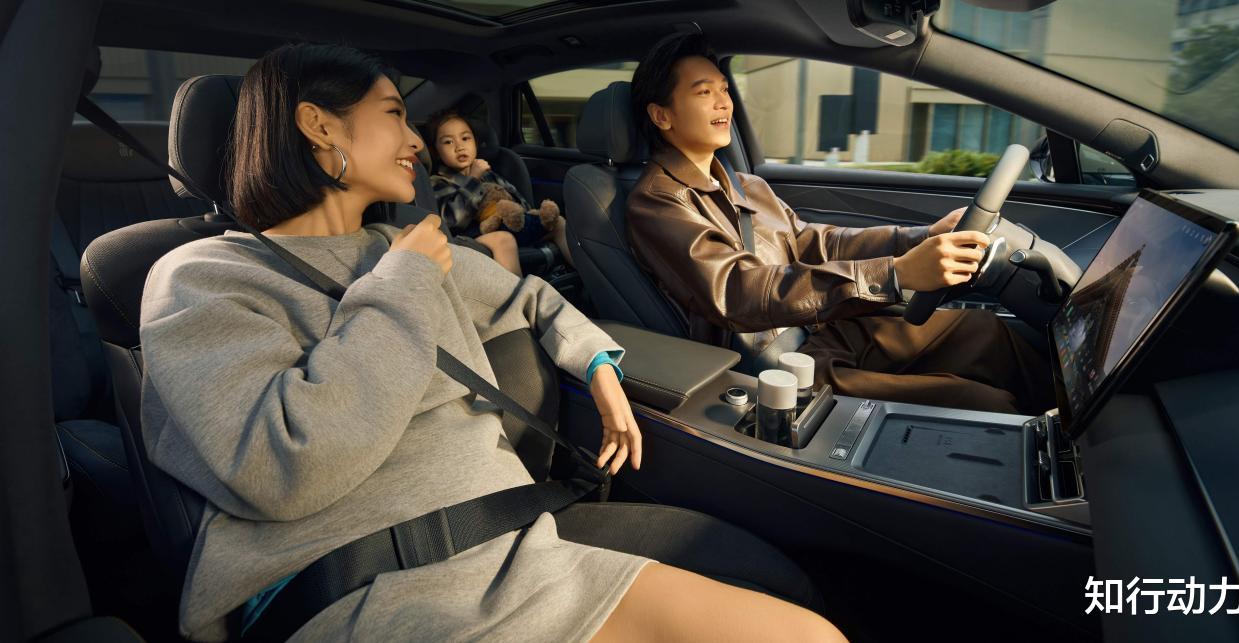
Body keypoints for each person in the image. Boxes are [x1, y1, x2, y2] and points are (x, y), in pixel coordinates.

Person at [140, 43, 843, 642]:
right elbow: (285, 465)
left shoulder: (402, 246)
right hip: (369, 587)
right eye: (394, 115)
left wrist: (599, 367)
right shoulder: (202, 278)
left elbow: (532, 296)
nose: (418, 141)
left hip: (512, 545)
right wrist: (402, 285)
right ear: (319, 125)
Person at [625, 33, 1052, 414]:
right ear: (662, 116)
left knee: (986, 332)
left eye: (723, 88)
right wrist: (894, 274)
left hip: (822, 327)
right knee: (982, 404)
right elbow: (736, 291)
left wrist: (922, 237)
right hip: (779, 366)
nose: (724, 102)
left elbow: (816, 242)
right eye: (704, 92)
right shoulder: (658, 202)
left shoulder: (746, 185)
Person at [426, 110, 573, 274]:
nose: (459, 147)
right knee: (504, 239)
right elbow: (452, 220)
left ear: (475, 143)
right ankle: (521, 291)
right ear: (436, 151)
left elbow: (519, 202)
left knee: (558, 222)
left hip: (509, 226)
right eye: (448, 142)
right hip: (471, 237)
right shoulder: (438, 182)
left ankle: (587, 277)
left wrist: (525, 217)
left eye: (465, 138)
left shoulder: (489, 175)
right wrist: (473, 180)